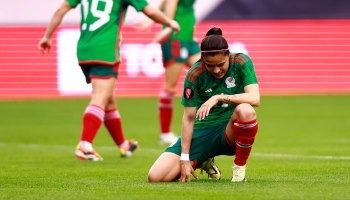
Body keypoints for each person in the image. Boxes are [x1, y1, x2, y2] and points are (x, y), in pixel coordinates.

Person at [38, 0, 180, 161]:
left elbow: (60, 10)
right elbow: (150, 11)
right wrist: (170, 22)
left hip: (84, 49)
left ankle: (123, 144)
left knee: (108, 100)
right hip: (105, 50)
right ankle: (85, 145)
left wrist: (47, 36)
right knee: (99, 98)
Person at [148, 27, 260, 182]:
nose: (216, 70)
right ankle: (203, 159)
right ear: (202, 59)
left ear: (228, 55)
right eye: (210, 65)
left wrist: (219, 97)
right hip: (202, 132)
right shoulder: (194, 74)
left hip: (230, 131)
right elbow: (188, 118)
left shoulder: (241, 62)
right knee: (155, 177)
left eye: (221, 64)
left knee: (246, 110)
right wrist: (185, 158)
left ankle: (239, 170)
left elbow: (255, 98)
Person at [139, 0, 201, 145]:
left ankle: (205, 125)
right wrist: (168, 25)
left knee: (206, 75)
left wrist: (150, 20)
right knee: (170, 87)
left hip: (188, 39)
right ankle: (165, 133)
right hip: (176, 38)